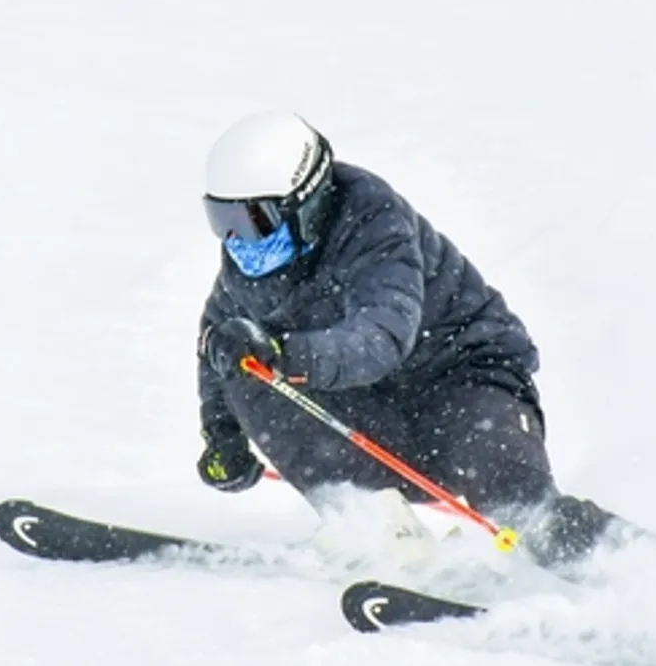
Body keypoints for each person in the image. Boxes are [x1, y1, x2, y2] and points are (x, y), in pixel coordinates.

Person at [193, 110, 616, 568]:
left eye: (255, 219)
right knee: (246, 359)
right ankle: (376, 528)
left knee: (517, 507)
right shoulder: (250, 267)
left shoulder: (374, 224)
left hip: (464, 387)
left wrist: (286, 352)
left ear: (305, 202)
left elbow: (381, 338)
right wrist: (223, 436)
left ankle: (629, 572)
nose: (238, 239)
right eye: (223, 220)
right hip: (376, 425)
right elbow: (219, 342)